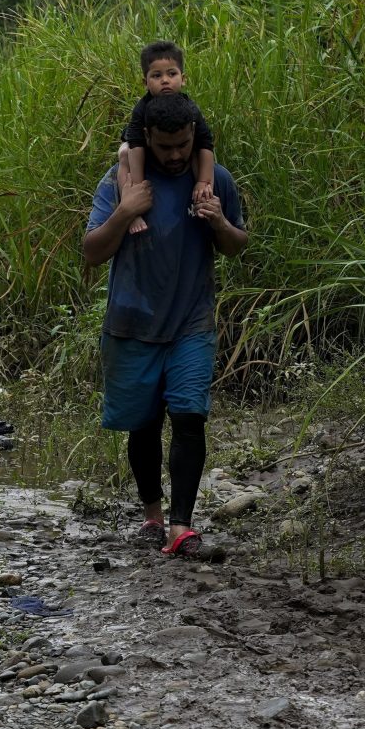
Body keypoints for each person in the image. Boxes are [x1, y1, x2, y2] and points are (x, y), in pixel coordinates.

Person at [82, 90, 250, 560]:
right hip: (132, 325)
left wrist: (218, 221)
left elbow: (237, 244)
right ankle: (152, 517)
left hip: (190, 324)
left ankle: (181, 527)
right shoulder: (120, 183)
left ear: (194, 135)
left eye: (183, 145)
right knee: (144, 424)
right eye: (164, 147)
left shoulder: (214, 181)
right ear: (146, 140)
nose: (176, 156)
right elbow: (92, 252)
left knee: (190, 417)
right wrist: (126, 210)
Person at [115, 41, 216, 233]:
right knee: (124, 153)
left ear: (183, 78)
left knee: (196, 153)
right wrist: (138, 188)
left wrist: (204, 181)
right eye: (156, 75)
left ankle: (203, 201)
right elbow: (136, 145)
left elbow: (206, 142)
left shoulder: (190, 109)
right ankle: (130, 208)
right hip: (141, 148)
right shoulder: (141, 110)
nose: (165, 80)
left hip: (185, 163)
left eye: (172, 74)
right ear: (145, 82)